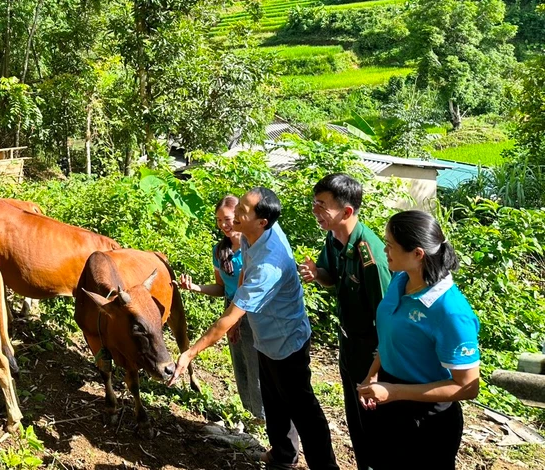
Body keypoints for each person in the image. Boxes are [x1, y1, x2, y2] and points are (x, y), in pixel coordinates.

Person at [170, 187, 339, 470]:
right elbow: (243, 272)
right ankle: (283, 456)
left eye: (242, 212)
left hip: (287, 341)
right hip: (266, 336)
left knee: (302, 408)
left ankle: (325, 466)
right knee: (273, 401)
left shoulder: (269, 264)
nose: (235, 214)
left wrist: (190, 353)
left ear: (262, 221)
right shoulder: (253, 234)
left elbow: (228, 318)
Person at [358, 210, 480, 470]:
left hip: (426, 420)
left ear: (417, 254)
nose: (384, 249)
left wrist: (395, 392)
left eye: (390, 244)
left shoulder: (450, 310)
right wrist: (373, 375)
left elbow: (468, 387)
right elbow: (393, 336)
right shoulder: (401, 279)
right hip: (391, 399)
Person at [298, 173, 390, 470]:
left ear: (347, 211)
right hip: (348, 341)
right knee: (356, 416)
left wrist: (378, 367)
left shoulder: (370, 253)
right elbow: (330, 275)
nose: (315, 211)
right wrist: (317, 275)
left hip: (372, 349)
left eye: (322, 205)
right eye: (315, 203)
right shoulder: (334, 238)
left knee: (375, 420)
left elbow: (386, 316)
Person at [176, 195, 264, 421]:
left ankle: (264, 417)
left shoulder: (254, 246)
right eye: (219, 220)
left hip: (253, 312)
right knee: (240, 363)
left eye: (227, 219)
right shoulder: (220, 251)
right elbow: (220, 287)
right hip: (231, 308)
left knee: (257, 365)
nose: (223, 225)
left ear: (240, 216)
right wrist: (195, 287)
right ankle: (251, 414)